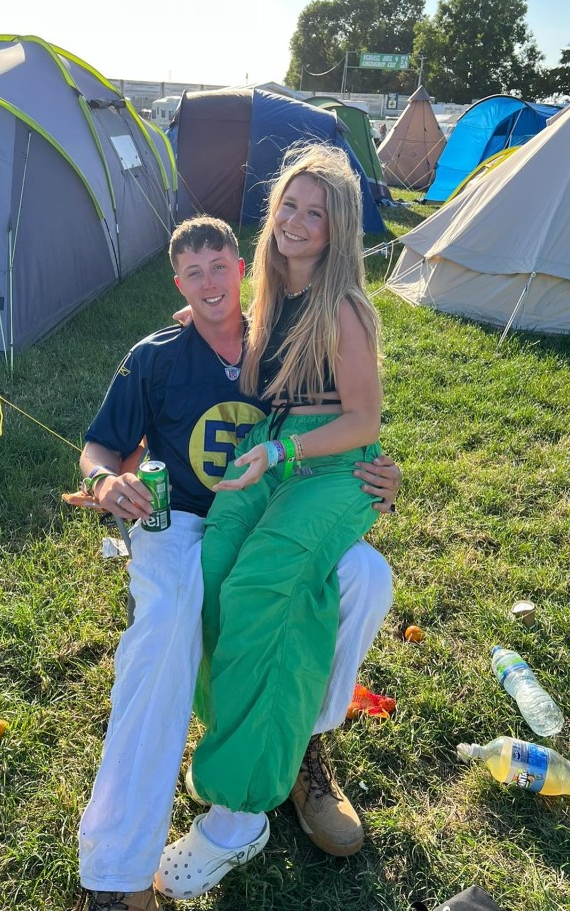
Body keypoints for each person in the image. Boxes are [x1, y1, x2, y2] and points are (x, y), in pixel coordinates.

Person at [77, 214, 401, 911]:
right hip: (181, 520)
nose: (209, 283)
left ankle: (300, 749)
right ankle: (117, 872)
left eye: (219, 267)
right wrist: (106, 482)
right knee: (165, 627)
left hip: (270, 509)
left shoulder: (282, 337)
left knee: (369, 579)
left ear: (243, 271)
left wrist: (381, 474)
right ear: (177, 284)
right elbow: (99, 449)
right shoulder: (155, 355)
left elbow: (347, 413)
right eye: (193, 274)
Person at [156, 145, 384, 901]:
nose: (296, 220)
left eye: (315, 213)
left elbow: (363, 420)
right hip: (273, 453)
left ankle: (240, 807)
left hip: (328, 465)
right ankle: (248, 733)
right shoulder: (269, 295)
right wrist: (201, 313)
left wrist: (286, 450)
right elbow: (238, 340)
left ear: (336, 228)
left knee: (262, 583)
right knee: (214, 571)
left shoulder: (345, 305)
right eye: (290, 203)